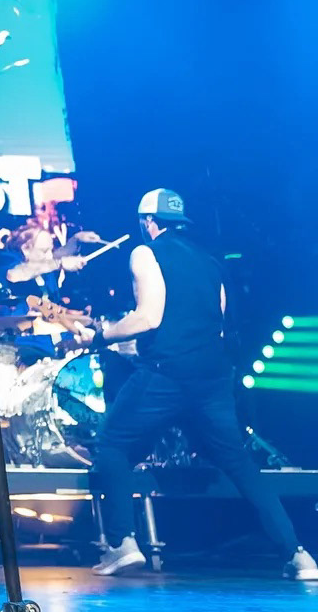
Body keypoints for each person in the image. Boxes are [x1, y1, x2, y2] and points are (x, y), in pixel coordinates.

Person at [74, 189, 316, 580]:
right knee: (239, 462)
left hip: (167, 374)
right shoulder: (211, 262)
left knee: (113, 445)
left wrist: (100, 336)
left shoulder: (145, 253)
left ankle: (122, 544)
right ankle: (298, 555)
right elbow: (214, 325)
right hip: (213, 379)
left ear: (148, 222)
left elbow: (149, 317)